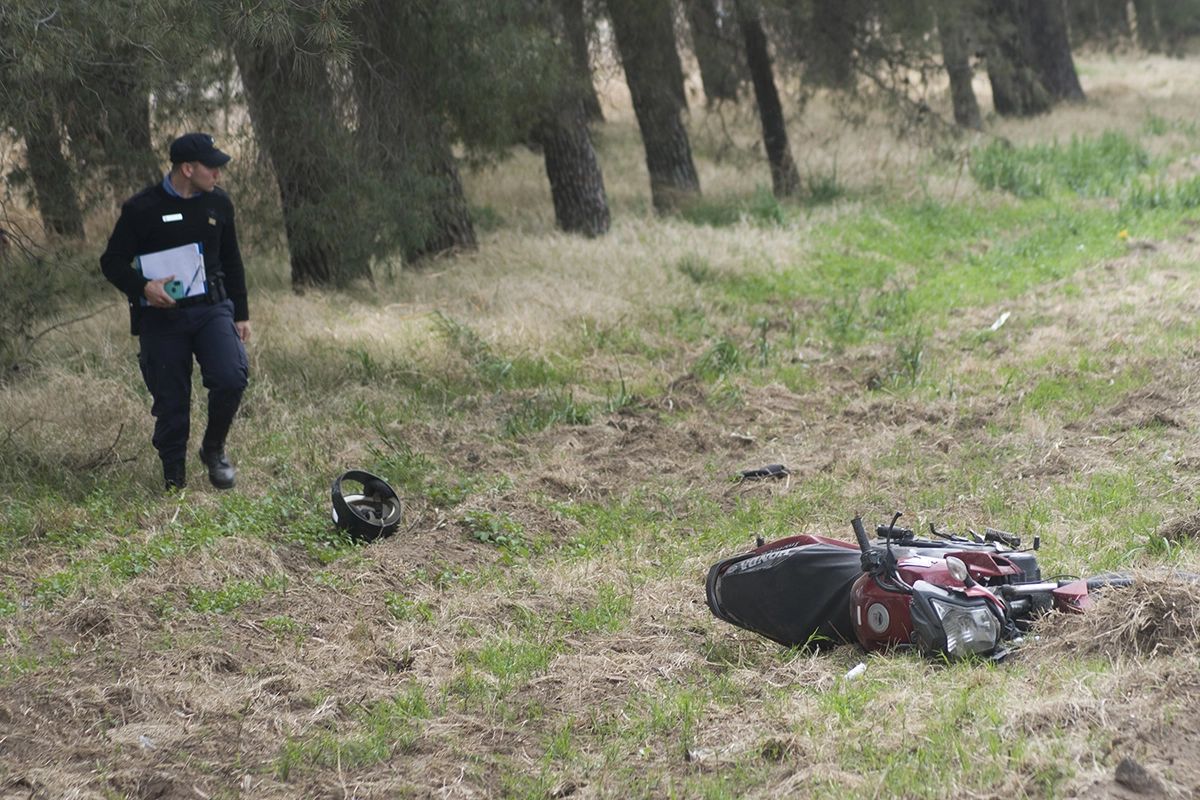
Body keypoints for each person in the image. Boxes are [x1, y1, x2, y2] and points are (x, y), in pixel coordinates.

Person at [100, 133, 251, 492]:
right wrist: (143, 288)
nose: (218, 173)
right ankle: (174, 481)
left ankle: (213, 450)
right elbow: (112, 262)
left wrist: (241, 314)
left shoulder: (219, 205)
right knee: (171, 401)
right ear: (188, 168)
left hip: (212, 309)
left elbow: (232, 260)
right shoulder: (141, 209)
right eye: (211, 166)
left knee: (231, 376)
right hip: (161, 318)